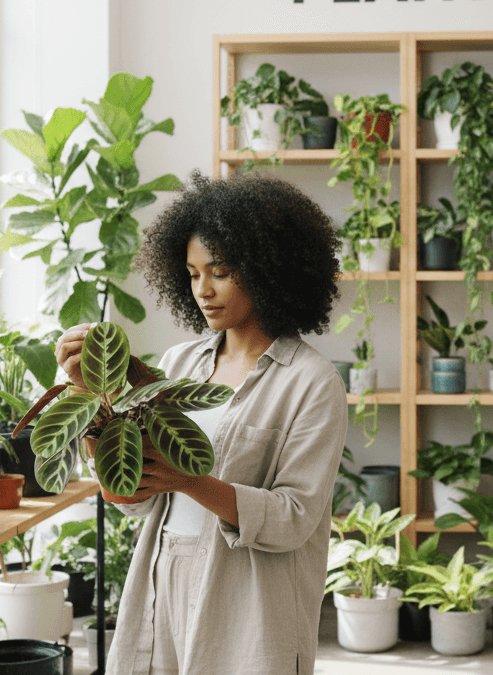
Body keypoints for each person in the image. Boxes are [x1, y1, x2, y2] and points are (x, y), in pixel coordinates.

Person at [54, 172, 348, 675]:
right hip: (163, 576)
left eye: (220, 271)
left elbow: (294, 517)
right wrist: (87, 394)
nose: (202, 290)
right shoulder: (179, 364)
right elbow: (138, 501)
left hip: (249, 597)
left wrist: (189, 481)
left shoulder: (312, 382)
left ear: (267, 269)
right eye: (192, 274)